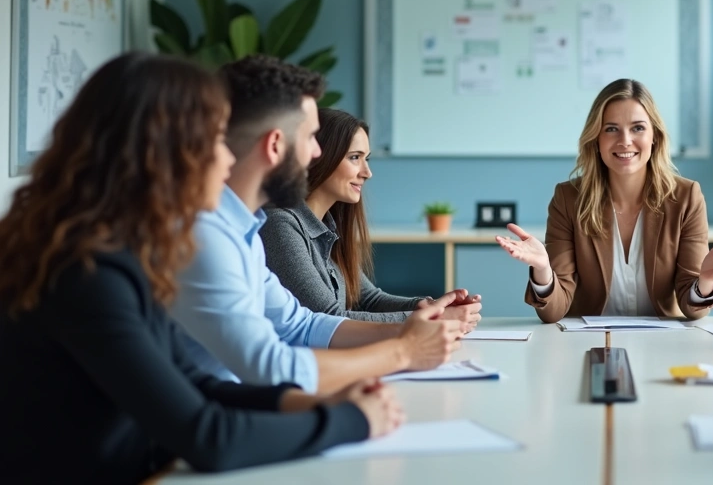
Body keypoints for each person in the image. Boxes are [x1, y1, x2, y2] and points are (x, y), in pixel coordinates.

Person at [0, 53, 402, 482]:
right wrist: (353, 422)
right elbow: (208, 437)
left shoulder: (127, 252)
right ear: (164, 155)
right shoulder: (85, 273)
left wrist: (323, 404)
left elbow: (198, 386)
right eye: (214, 140)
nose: (228, 159)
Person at [170, 56, 462, 396]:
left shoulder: (242, 230)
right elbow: (267, 366)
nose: (317, 153)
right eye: (310, 138)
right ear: (275, 144)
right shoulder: (205, 236)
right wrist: (403, 351)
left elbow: (301, 325)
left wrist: (413, 330)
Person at [495, 78, 713, 323]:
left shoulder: (686, 197)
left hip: (662, 345)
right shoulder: (568, 199)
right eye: (611, 128)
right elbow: (553, 312)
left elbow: (693, 309)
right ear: (596, 140)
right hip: (588, 343)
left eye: (638, 128)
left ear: (654, 136)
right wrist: (543, 270)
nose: (625, 140)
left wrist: (706, 281)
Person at [261, 108, 483, 327]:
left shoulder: (327, 226)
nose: (367, 172)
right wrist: (430, 319)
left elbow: (367, 300)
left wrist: (432, 307)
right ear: (318, 156)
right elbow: (328, 319)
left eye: (366, 159)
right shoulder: (280, 224)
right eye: (355, 158)